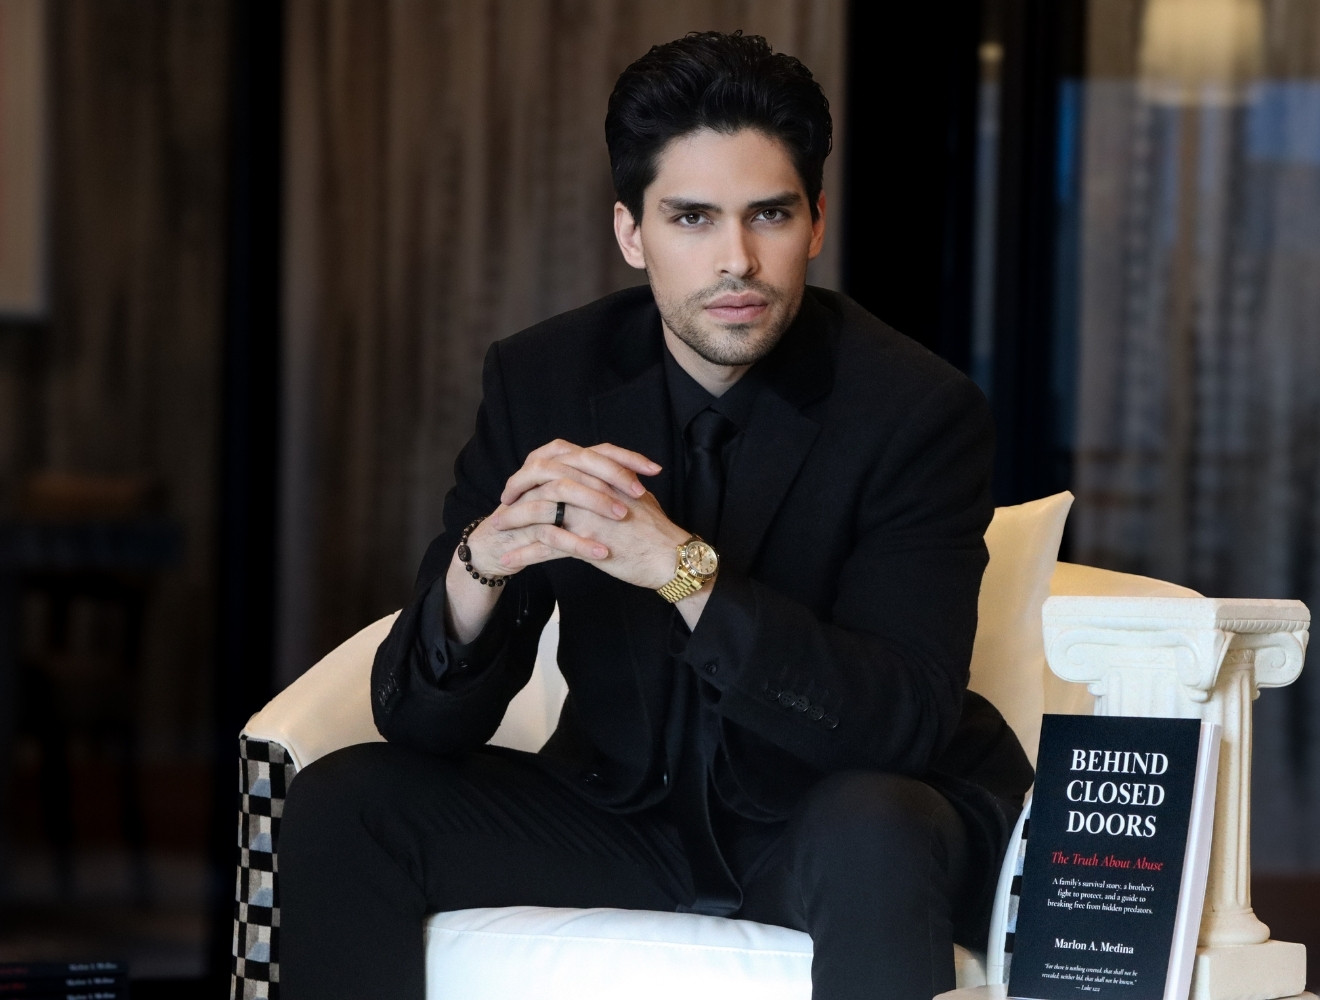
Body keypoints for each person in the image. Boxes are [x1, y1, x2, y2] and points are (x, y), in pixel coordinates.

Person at [278, 30, 1033, 1000]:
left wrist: (685, 570)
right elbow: (420, 720)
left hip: (820, 822)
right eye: (692, 218)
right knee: (346, 804)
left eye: (769, 214)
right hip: (616, 810)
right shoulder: (544, 376)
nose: (738, 259)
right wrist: (480, 569)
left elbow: (899, 724)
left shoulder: (916, 410)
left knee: (874, 821)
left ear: (816, 221)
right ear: (632, 232)